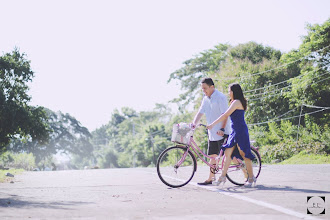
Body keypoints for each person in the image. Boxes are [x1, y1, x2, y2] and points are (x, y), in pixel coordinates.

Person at [207, 83, 256, 187]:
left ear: (234, 91)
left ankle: (251, 178)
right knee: (227, 154)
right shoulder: (234, 102)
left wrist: (212, 124)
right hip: (234, 131)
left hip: (240, 130)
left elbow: (225, 115)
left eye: (229, 91)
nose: (228, 93)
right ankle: (222, 177)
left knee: (244, 154)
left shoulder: (237, 102)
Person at [192, 77, 231, 185]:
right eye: (202, 89)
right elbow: (200, 112)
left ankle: (247, 174)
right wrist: (193, 124)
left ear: (212, 87)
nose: (204, 91)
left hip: (222, 131)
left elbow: (225, 114)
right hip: (212, 133)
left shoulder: (220, 97)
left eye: (205, 88)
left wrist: (222, 129)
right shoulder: (205, 99)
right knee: (213, 156)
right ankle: (210, 178)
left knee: (231, 156)